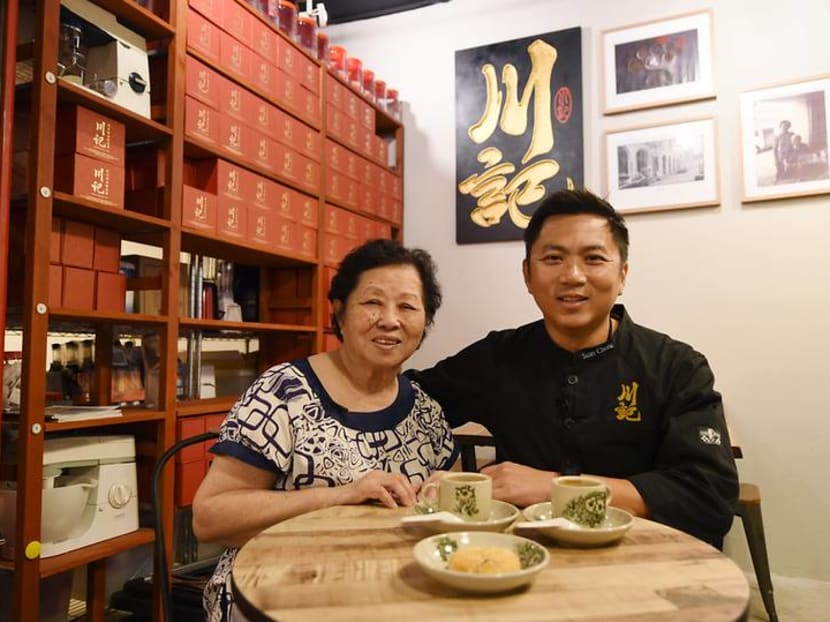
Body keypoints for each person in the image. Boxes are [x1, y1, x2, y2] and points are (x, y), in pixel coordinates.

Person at [409, 189, 738, 548]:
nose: (573, 276)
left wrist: (553, 487)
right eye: (553, 258)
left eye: (594, 258)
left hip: (641, 560)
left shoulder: (676, 367)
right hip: (525, 559)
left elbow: (708, 498)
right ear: (528, 276)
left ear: (623, 274)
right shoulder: (498, 356)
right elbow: (408, 404)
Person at [193, 239, 458, 621]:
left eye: (407, 307)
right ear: (339, 311)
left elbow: (444, 496)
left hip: (383, 593)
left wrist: (443, 489)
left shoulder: (424, 409)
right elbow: (210, 517)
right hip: (273, 594)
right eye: (372, 302)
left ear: (425, 322)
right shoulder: (284, 392)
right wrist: (343, 495)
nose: (389, 319)